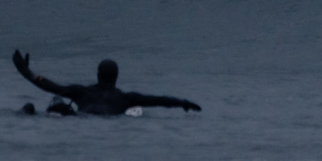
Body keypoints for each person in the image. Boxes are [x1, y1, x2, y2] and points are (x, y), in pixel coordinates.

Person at [12, 50, 201, 115]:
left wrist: (25, 71)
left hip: (82, 117)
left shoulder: (81, 91)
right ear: (116, 76)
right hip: (103, 117)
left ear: (97, 74)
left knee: (44, 105)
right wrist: (183, 103)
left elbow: (49, 86)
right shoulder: (126, 98)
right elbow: (158, 100)